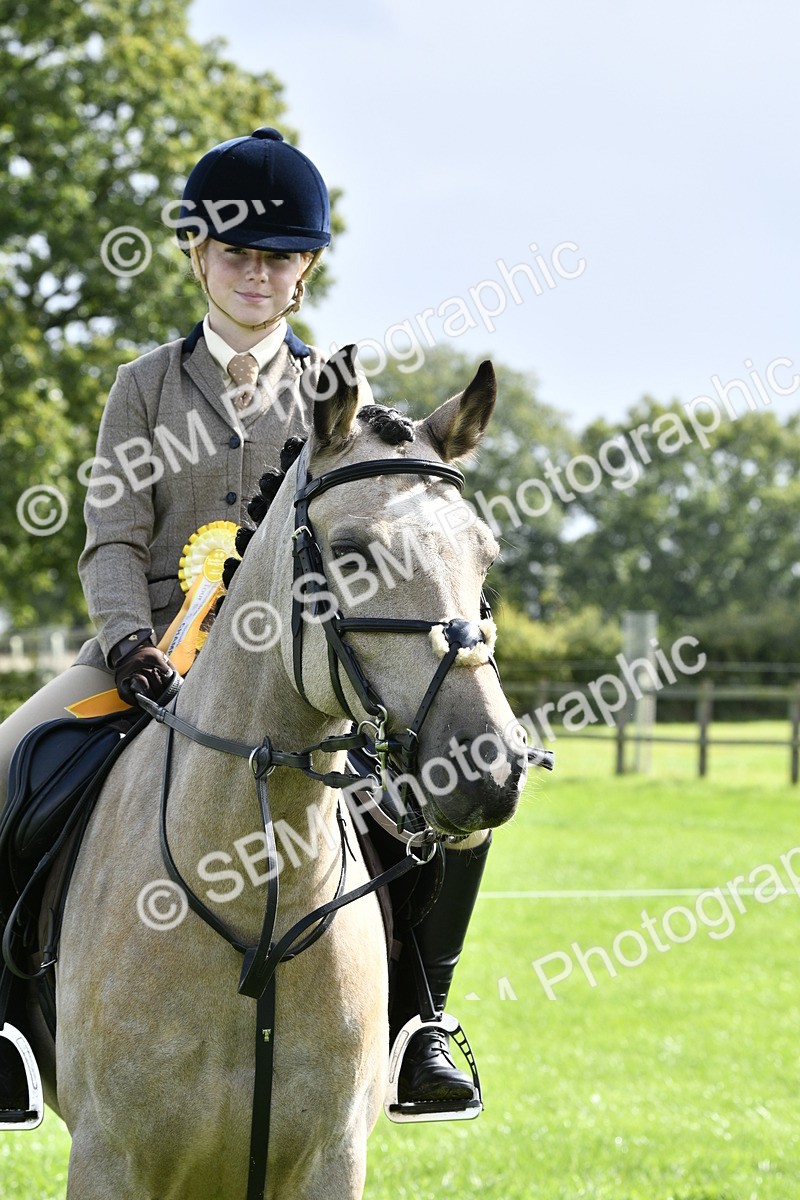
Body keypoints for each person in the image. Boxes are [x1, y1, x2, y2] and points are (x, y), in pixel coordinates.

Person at [0, 128, 490, 1118]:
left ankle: (417, 1027)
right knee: (7, 761)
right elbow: (107, 541)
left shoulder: (341, 406)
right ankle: (8, 1027)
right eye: (236, 255)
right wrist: (130, 639)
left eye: (276, 259)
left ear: (303, 272)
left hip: (291, 675)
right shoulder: (142, 387)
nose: (254, 275)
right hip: (139, 655)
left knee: (451, 806)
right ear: (197, 256)